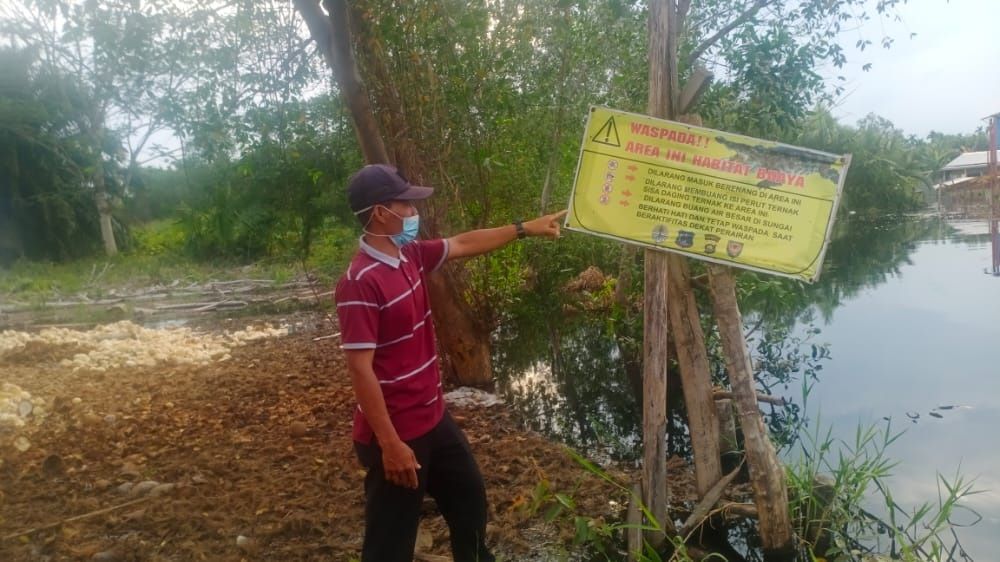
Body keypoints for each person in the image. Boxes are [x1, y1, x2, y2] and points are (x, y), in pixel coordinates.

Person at [334, 164, 566, 562]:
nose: (412, 212)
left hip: (433, 418)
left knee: (469, 503)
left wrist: (525, 228)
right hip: (397, 433)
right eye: (405, 204)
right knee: (389, 546)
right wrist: (390, 445)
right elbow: (360, 369)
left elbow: (461, 243)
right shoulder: (359, 281)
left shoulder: (409, 255)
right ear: (379, 212)